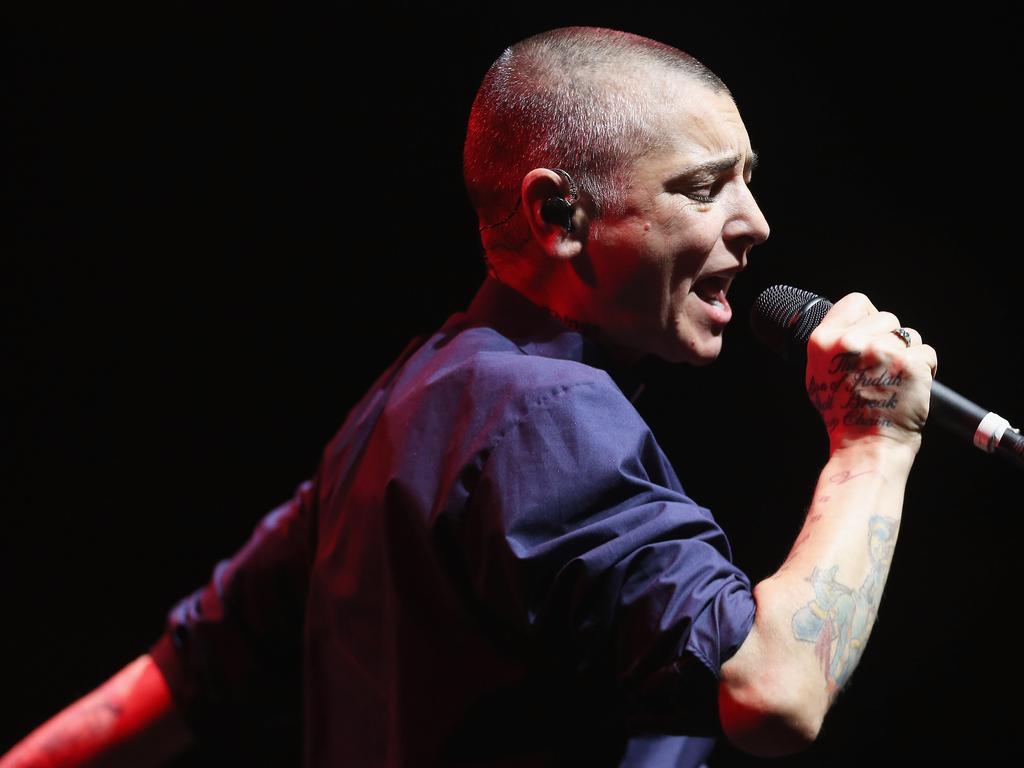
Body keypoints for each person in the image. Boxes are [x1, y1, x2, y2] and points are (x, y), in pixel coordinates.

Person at [1, 26, 937, 767]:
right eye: (703, 188)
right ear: (557, 215)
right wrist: (871, 443)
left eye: (747, 179)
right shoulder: (545, 414)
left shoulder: (401, 410)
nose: (754, 223)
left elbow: (184, 678)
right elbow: (774, 694)